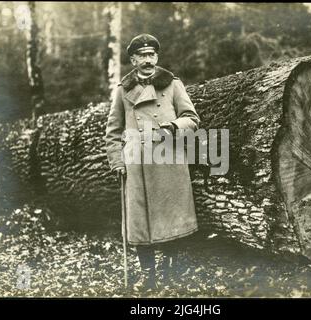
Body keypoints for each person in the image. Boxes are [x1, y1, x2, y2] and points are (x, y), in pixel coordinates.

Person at [105, 34, 200, 292]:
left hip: (167, 157)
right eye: (142, 56)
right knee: (139, 223)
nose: (148, 60)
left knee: (169, 218)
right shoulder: (123, 91)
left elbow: (192, 118)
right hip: (136, 164)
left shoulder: (172, 84)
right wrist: (117, 162)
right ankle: (148, 277)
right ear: (133, 59)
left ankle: (168, 271)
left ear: (156, 57)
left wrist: (172, 125)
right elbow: (112, 132)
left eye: (151, 55)